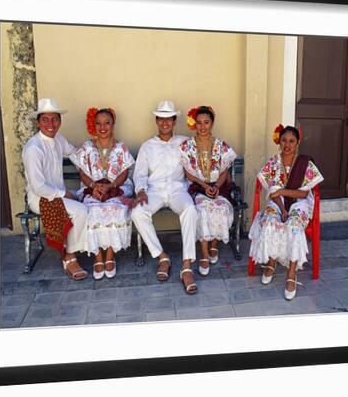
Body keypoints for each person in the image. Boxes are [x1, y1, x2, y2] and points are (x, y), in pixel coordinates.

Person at [249, 124, 324, 300]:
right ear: (279, 142)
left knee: (294, 227)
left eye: (291, 141)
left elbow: (304, 193)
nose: (287, 144)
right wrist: (282, 209)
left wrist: (283, 192)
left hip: (299, 204)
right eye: (284, 140)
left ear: (297, 142)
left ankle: (291, 273)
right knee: (270, 222)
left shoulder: (305, 163)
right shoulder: (274, 163)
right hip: (278, 203)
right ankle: (272, 261)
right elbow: (272, 192)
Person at [131, 100, 199, 294]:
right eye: (161, 119)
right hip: (154, 190)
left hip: (178, 189)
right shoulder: (147, 146)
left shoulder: (184, 143)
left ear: (174, 120)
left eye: (168, 119)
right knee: (137, 212)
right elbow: (140, 174)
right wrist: (141, 190)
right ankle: (162, 257)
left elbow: (199, 160)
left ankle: (186, 266)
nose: (164, 123)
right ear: (156, 121)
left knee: (190, 210)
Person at [22, 97, 88, 281]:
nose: (51, 124)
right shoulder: (33, 149)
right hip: (41, 199)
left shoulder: (58, 139)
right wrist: (66, 194)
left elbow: (74, 153)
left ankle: (91, 247)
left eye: (55, 119)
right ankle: (69, 257)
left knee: (88, 199)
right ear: (38, 121)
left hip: (60, 195)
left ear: (60, 121)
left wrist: (93, 149)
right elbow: (38, 186)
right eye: (45, 119)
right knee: (81, 211)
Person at [69, 107, 135, 279]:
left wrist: (111, 185)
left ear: (113, 125)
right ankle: (98, 256)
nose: (102, 127)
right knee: (91, 210)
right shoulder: (87, 147)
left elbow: (124, 172)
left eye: (107, 123)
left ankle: (110, 256)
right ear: (94, 125)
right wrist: (93, 185)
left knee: (116, 209)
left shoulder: (120, 147)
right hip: (92, 189)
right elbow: (82, 172)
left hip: (116, 188)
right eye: (98, 123)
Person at [180, 106, 237, 276]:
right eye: (199, 123)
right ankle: (204, 253)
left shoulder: (221, 145)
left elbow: (224, 171)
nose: (202, 126)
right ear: (194, 124)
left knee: (219, 208)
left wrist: (217, 187)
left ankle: (214, 244)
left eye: (206, 122)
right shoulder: (187, 146)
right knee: (203, 210)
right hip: (198, 186)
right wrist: (205, 186)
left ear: (212, 123)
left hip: (219, 186)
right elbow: (188, 173)